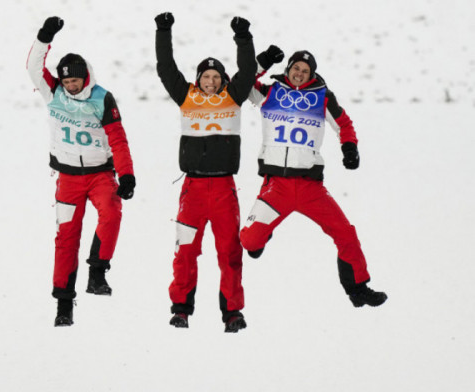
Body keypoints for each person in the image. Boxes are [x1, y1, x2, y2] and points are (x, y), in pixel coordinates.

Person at [240, 46, 388, 307]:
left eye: (305, 71)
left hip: (311, 188)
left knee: (346, 233)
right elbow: (239, 84)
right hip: (277, 187)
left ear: (312, 74)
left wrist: (349, 146)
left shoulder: (322, 97)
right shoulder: (269, 92)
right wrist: (261, 62)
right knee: (249, 243)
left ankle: (358, 288)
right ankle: (262, 234)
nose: (299, 73)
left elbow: (344, 123)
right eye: (296, 68)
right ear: (288, 69)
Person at [27, 17, 136, 327]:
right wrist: (44, 38)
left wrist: (126, 174)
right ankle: (64, 304)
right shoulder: (54, 93)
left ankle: (97, 272)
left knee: (112, 213)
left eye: (75, 81)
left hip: (101, 174)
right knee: (66, 239)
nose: (70, 86)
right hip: (68, 179)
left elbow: (118, 138)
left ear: (85, 77)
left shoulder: (102, 98)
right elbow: (34, 69)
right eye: (66, 82)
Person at [154, 12, 256, 333]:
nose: (209, 82)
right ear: (198, 79)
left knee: (229, 252)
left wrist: (243, 37)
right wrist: (164, 30)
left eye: (215, 77)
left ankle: (232, 313)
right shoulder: (186, 97)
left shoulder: (233, 96)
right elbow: (165, 68)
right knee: (186, 250)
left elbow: (249, 70)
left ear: (222, 80)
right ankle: (181, 309)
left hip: (224, 188)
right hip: (193, 189)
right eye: (205, 77)